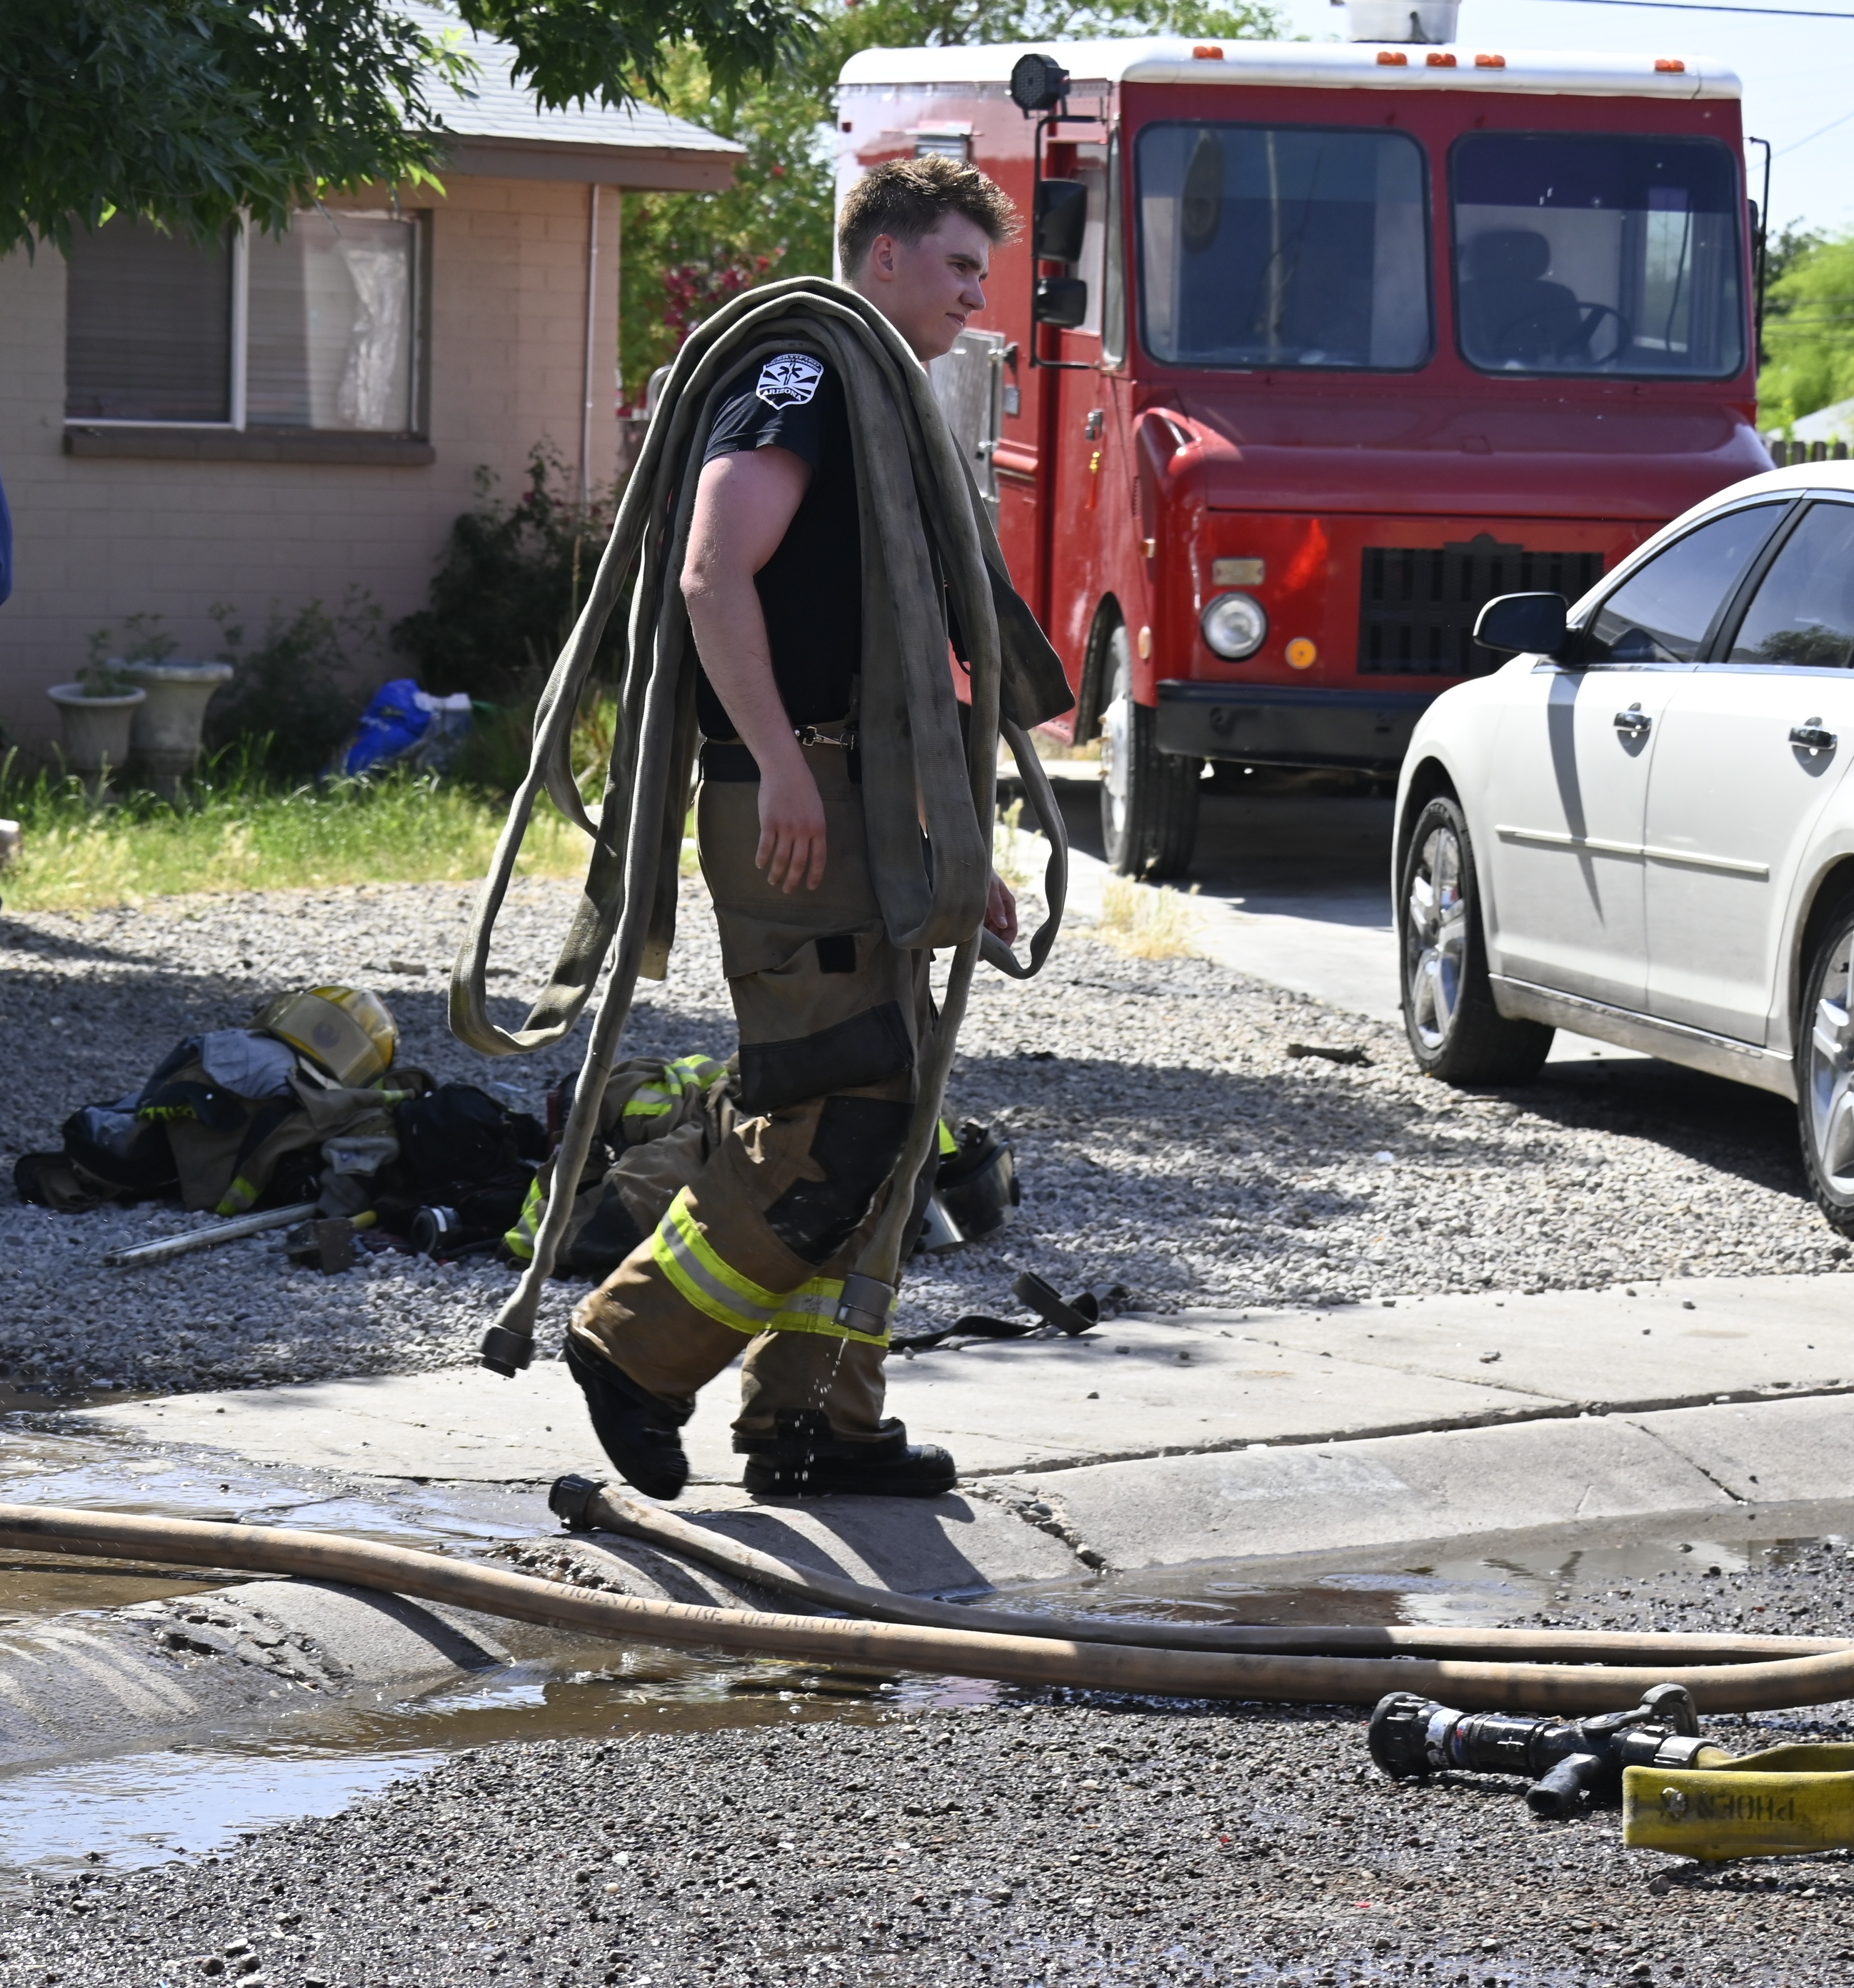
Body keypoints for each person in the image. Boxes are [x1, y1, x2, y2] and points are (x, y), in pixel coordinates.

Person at [563, 155, 1023, 1502]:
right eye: (957, 266)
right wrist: (780, 764)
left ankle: (816, 1422)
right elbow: (715, 570)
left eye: (982, 274)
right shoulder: (803, 376)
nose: (975, 299)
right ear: (883, 255)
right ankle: (633, 1349)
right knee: (841, 1114)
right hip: (796, 801)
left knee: (891, 1112)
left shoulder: (876, 400)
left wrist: (953, 842)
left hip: (862, 802)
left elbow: (894, 654)